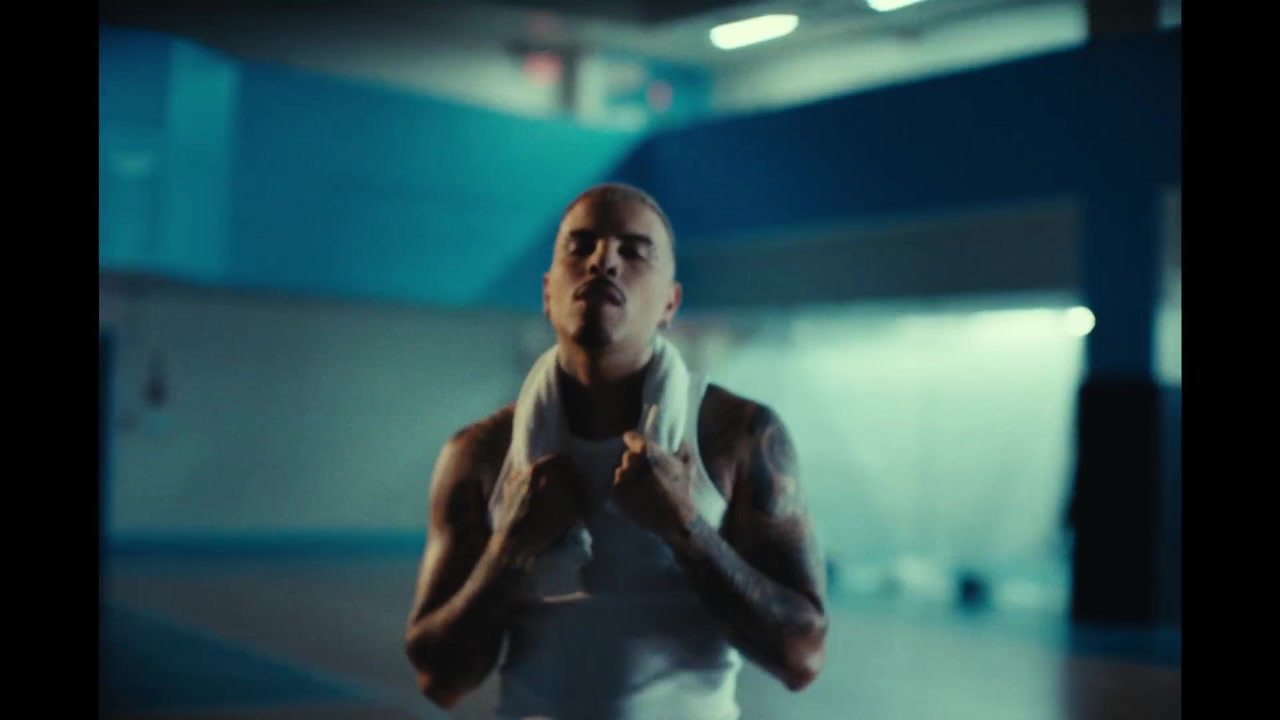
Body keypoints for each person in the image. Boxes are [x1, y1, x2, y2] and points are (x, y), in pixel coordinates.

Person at [404, 183, 828, 719]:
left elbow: (801, 658)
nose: (603, 261)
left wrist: (687, 528)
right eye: (580, 247)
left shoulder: (736, 436)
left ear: (670, 303)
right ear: (548, 292)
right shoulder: (482, 454)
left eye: (634, 251)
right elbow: (440, 679)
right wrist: (511, 548)